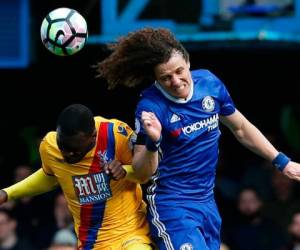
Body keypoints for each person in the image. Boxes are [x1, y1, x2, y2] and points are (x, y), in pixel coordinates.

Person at [95, 27, 300, 250]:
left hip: (207, 202)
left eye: (179, 71)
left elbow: (241, 128)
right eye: (166, 78)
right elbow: (143, 173)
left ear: (188, 62)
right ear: (156, 79)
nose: (176, 81)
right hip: (172, 205)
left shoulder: (210, 84)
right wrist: (153, 141)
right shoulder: (150, 107)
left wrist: (282, 162)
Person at [0, 104, 153, 250]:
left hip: (132, 232)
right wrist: (8, 193)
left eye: (74, 150)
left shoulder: (115, 134)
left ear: (93, 136)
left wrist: (125, 171)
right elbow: (50, 176)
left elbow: (145, 173)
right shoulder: (50, 146)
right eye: (63, 146)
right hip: (92, 241)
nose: (67, 154)